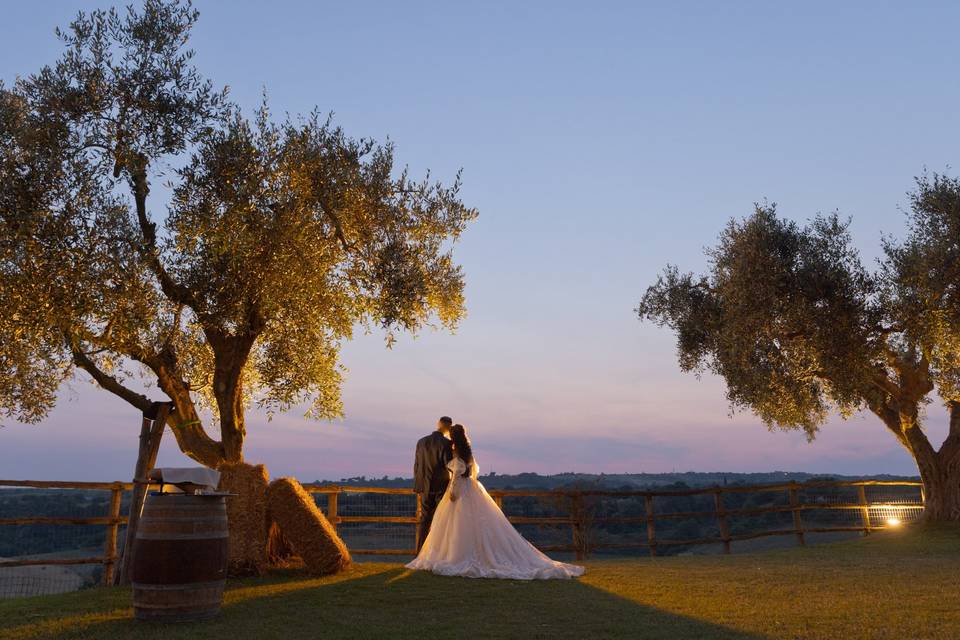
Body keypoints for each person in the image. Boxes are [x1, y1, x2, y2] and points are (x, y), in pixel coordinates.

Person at [407, 423, 584, 579]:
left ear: (453, 437)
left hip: (459, 488)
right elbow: (472, 471)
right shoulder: (467, 452)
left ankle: (454, 556)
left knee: (455, 525)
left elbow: (456, 475)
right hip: (471, 487)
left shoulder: (455, 453)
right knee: (472, 524)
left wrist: (453, 491)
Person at [413, 416, 454, 552]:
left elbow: (417, 465)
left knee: (424, 520)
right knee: (439, 519)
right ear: (448, 427)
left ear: (438, 424)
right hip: (440, 487)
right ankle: (436, 552)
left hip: (424, 487)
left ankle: (420, 552)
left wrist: (418, 486)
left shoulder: (421, 442)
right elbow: (449, 464)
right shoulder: (446, 443)